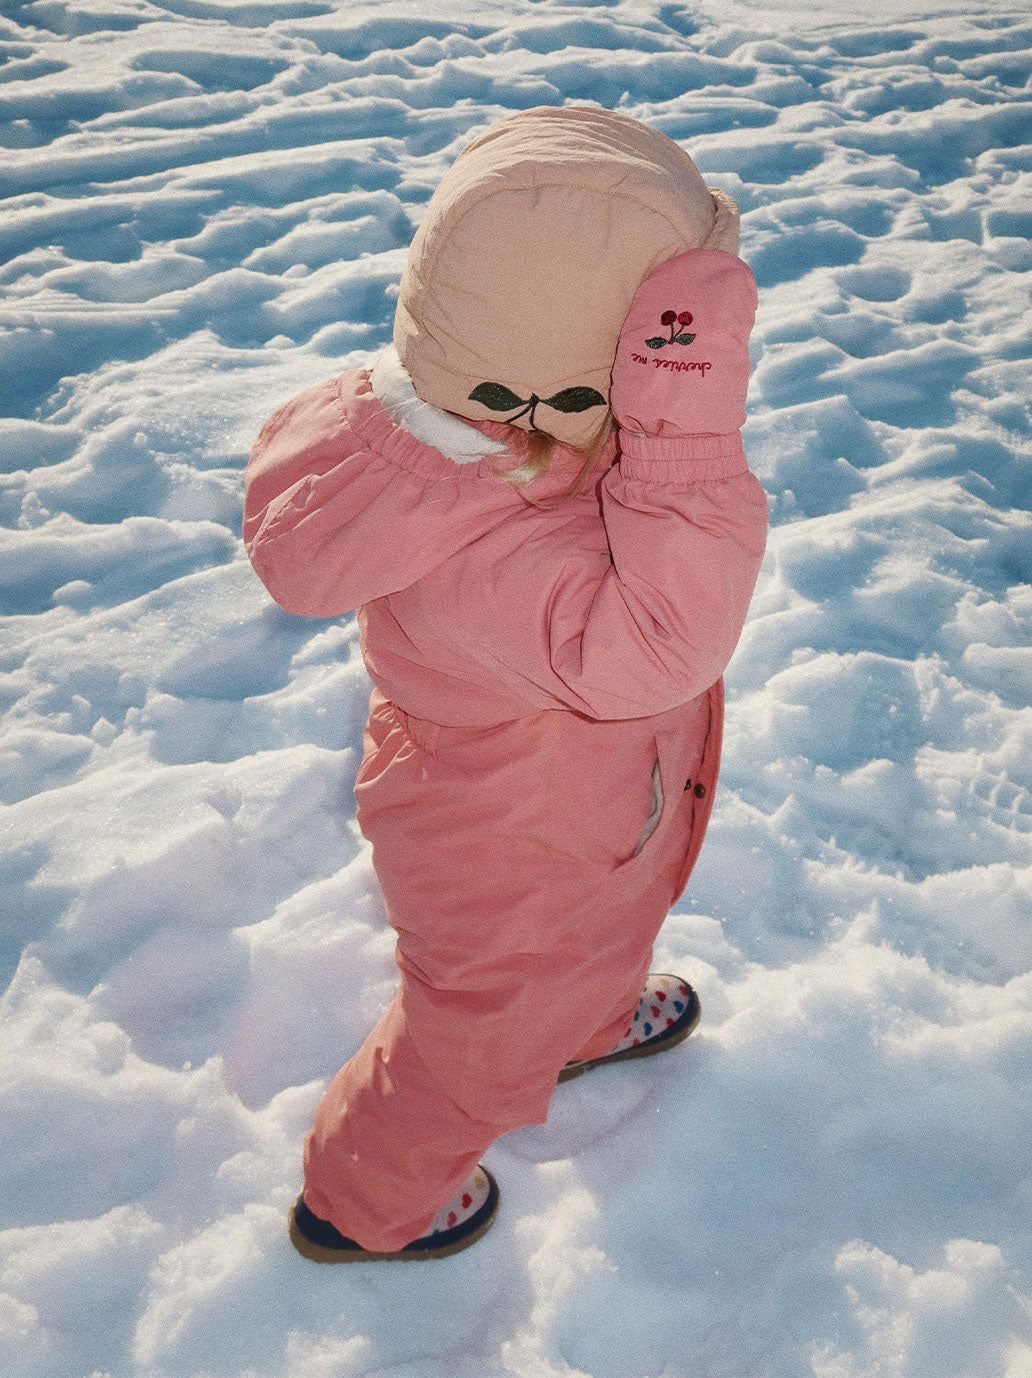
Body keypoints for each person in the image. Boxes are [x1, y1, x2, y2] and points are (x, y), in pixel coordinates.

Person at [243, 104, 768, 1262]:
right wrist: (682, 446)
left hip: (567, 815)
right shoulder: (499, 549)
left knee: (579, 948)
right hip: (511, 844)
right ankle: (364, 1203)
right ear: (591, 365)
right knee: (474, 1032)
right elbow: (663, 645)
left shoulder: (465, 433)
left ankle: (581, 1020)